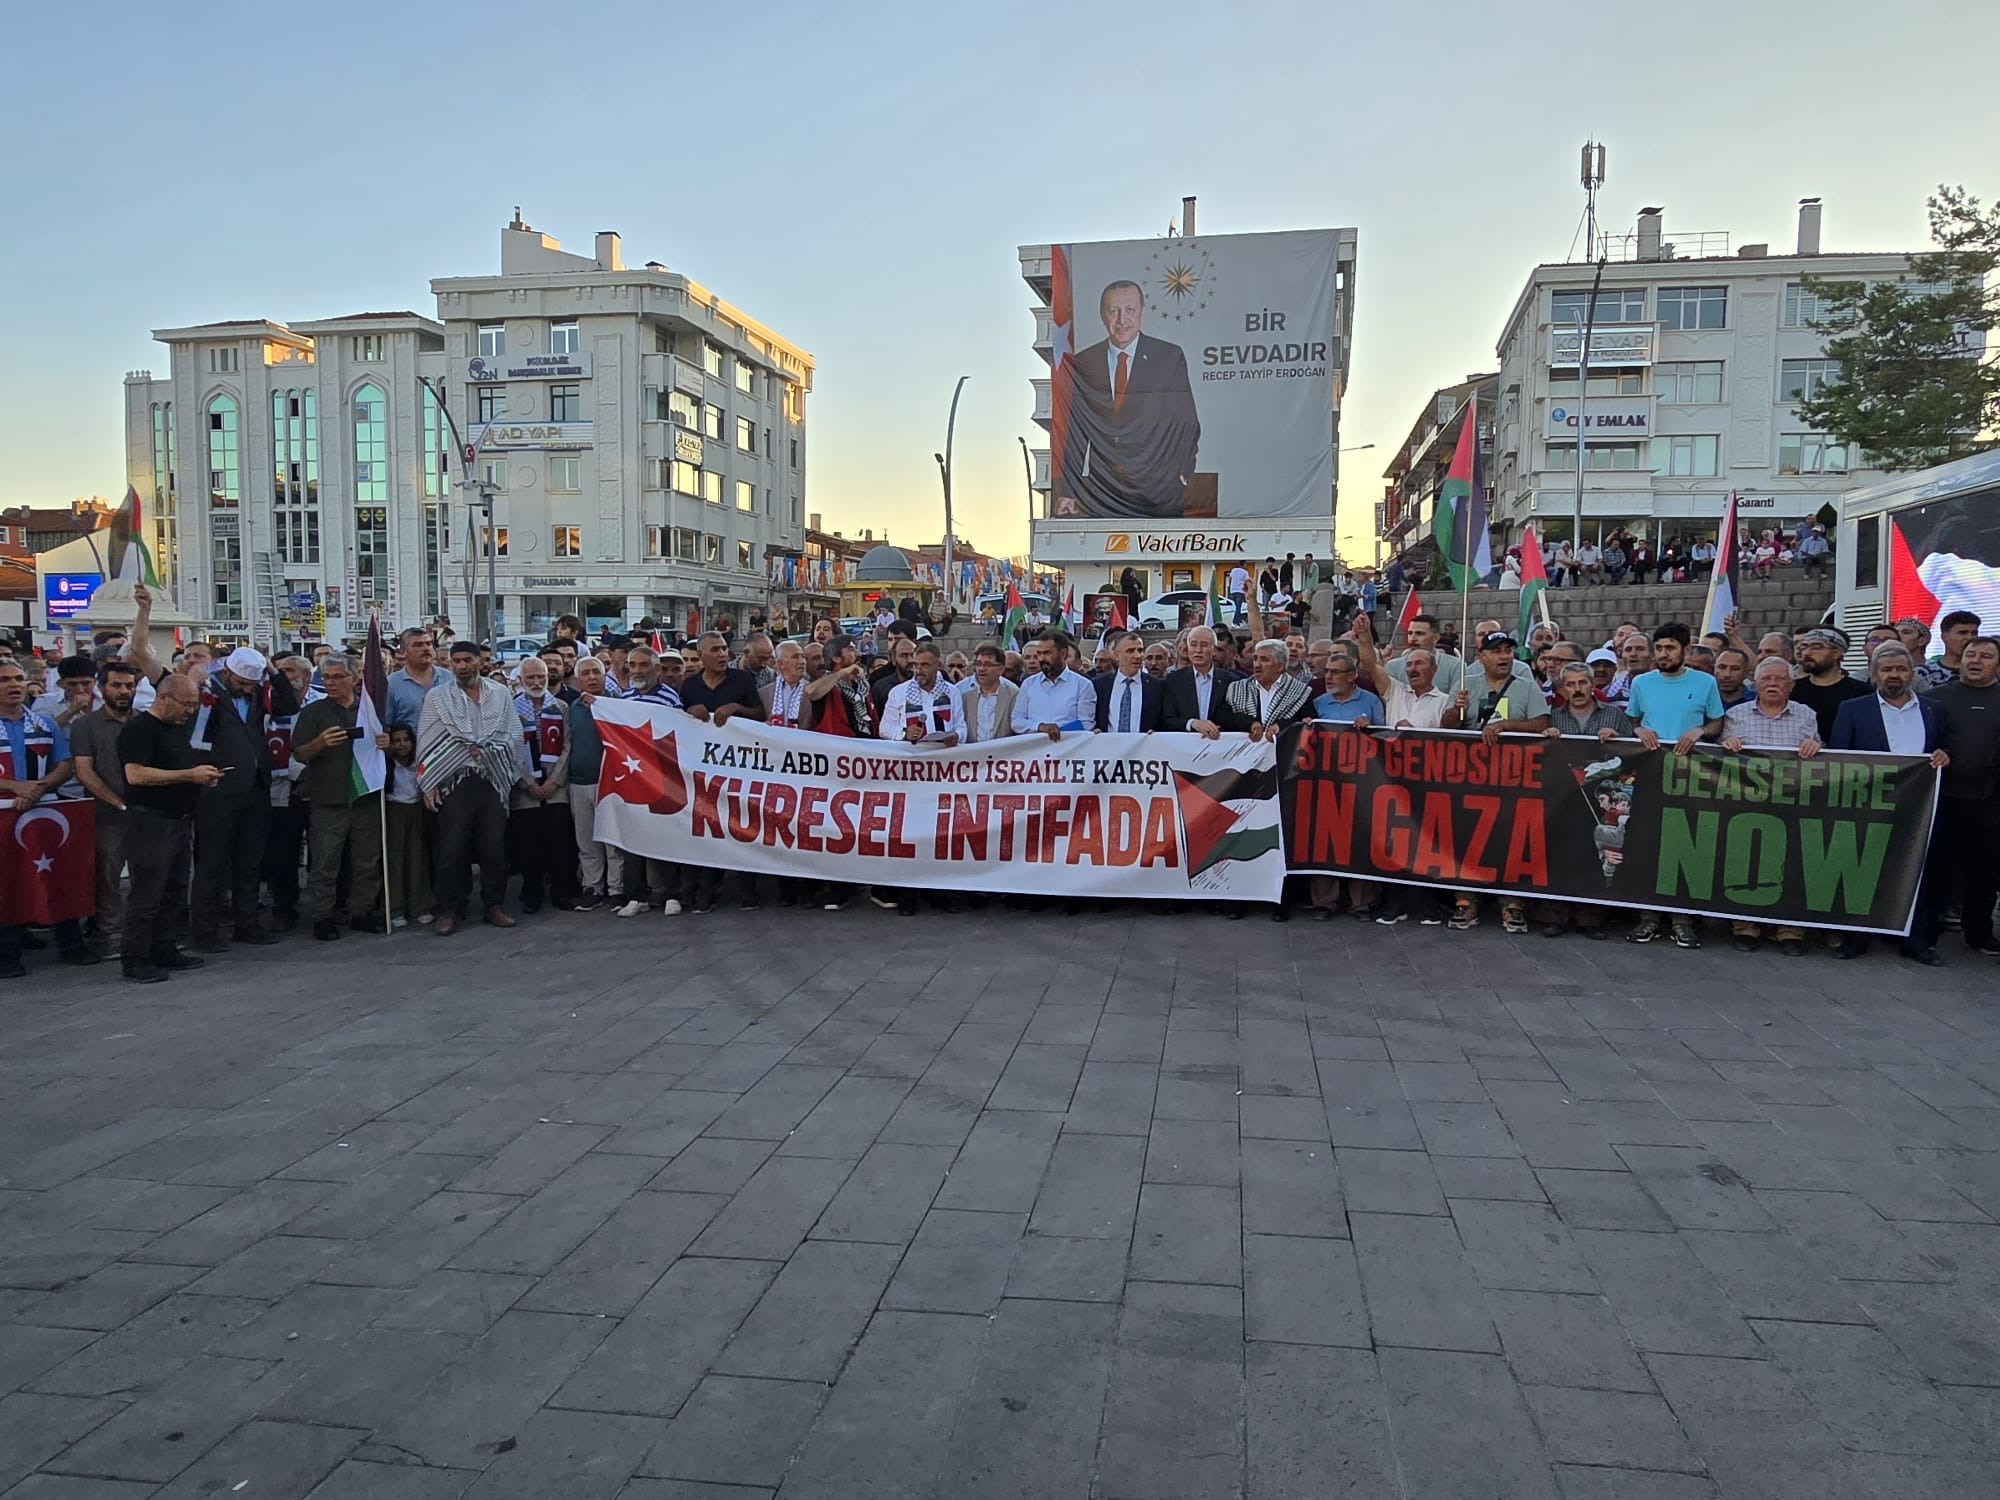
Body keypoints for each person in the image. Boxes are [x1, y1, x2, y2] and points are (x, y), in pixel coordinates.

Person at [1055, 278, 1201, 518]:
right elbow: (1075, 434)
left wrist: (1183, 473)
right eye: (1114, 311)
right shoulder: (1084, 362)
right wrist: (1068, 492)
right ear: (1103, 316)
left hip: (1159, 491)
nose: (1122, 320)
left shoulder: (1168, 357)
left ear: (1142, 311)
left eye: (1130, 310)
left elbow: (1186, 422)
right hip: (1104, 493)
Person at [187, 647, 297, 950]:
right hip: (218, 789)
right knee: (212, 864)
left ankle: (247, 924)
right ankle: (205, 930)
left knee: (249, 861)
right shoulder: (207, 694)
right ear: (228, 673)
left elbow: (288, 706)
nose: (248, 689)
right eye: (243, 684)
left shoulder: (258, 694)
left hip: (255, 787)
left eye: (252, 684)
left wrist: (272, 670)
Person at [1624, 623, 1725, 949]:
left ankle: (1682, 920)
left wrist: (1701, 731)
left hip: (1690, 777)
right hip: (1651, 775)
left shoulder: (1705, 682)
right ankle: (1648, 917)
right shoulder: (1641, 683)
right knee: (1649, 845)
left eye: (1670, 648)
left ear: (1686, 649)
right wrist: (1639, 730)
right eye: (1659, 648)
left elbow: (1717, 721)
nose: (1663, 654)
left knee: (1684, 845)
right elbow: (1632, 719)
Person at [116, 672, 220, 983]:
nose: (190, 710)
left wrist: (200, 778)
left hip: (179, 819)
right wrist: (189, 775)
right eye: (186, 704)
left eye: (194, 704)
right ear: (163, 698)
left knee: (174, 891)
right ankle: (135, 958)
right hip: (150, 821)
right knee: (147, 893)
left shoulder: (175, 729)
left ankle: (164, 947)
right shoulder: (139, 729)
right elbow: (136, 774)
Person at [0, 658, 100, 978]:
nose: (14, 685)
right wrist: (15, 786)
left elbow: (65, 765)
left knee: (58, 875)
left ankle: (70, 943)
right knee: (8, 880)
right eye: (5, 680)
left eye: (18, 679)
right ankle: (7, 951)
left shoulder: (43, 724)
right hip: (4, 812)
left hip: (44, 808)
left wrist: (37, 788)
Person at [1902, 636, 1998, 963]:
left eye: (1986, 656)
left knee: (1985, 871)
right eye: (1971, 654)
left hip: (1991, 801)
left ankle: (1979, 933)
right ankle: (1927, 935)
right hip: (1941, 797)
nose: (1976, 660)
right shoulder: (1936, 698)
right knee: (1938, 869)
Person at [417, 641, 523, 936]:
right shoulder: (437, 696)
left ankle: (494, 905)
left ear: (479, 661)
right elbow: (427, 739)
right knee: (451, 848)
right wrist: (429, 783)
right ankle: (450, 909)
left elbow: (513, 734)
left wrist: (491, 750)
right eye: (457, 661)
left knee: (494, 847)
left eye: (468, 660)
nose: (462, 666)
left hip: (492, 778)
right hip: (454, 779)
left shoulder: (500, 693)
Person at [291, 653, 389, 941]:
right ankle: (322, 916)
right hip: (329, 797)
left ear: (355, 678)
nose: (331, 683)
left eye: (337, 677)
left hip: (365, 794)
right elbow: (298, 753)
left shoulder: (369, 709)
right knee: (325, 862)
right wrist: (319, 743)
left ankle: (362, 911)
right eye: (326, 678)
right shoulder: (314, 712)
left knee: (367, 860)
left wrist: (387, 743)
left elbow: (388, 745)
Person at [66, 659, 142, 957]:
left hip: (146, 814)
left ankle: (143, 933)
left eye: (129, 686)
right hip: (107, 815)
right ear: (101, 687)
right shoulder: (86, 726)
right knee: (108, 877)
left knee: (147, 876)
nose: (123, 691)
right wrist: (119, 803)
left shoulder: (144, 722)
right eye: (116, 685)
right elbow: (84, 772)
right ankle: (109, 935)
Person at [508, 656, 575, 915]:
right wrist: (527, 783)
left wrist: (554, 781)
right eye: (531, 678)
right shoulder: (511, 708)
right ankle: (532, 894)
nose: (536, 682)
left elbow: (567, 745)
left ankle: (561, 892)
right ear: (521, 680)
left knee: (559, 843)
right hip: (525, 789)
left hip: (555, 786)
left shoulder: (560, 707)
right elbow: (509, 749)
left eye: (541, 677)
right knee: (528, 845)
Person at [382, 725, 431, 928]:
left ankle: (419, 906)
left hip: (416, 810)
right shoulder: (386, 765)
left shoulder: (419, 763)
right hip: (395, 810)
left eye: (406, 740)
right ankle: (395, 908)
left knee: (417, 858)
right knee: (395, 860)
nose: (402, 745)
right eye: (396, 741)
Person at [1789, 627, 1872, 741]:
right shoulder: (1792, 689)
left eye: (1816, 647)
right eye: (1805, 647)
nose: (1807, 653)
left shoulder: (1861, 692)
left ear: (1836, 653)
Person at [1012, 631, 1095, 740]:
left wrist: (1058, 732)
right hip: (1034, 748)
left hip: (1068, 746)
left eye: (1047, 653)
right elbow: (1016, 721)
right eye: (1039, 654)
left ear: (1063, 654)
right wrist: (1040, 727)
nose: (1041, 659)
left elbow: (1086, 723)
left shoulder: (1082, 685)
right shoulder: (1028, 684)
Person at [1162, 626, 1238, 738]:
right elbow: (1167, 720)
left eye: (1204, 645)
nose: (1198, 650)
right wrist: (1192, 723)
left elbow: (1235, 718)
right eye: (1193, 644)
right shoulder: (1174, 680)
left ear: (1214, 650)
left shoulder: (1230, 681)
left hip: (1220, 743)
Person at [1094, 631, 1164, 733]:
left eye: (1140, 650)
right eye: (1130, 651)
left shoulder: (1157, 686)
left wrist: (1157, 733)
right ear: (1117, 655)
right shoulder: (1099, 685)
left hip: (1144, 742)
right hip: (1108, 742)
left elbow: (1163, 721)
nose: (1137, 655)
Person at [959, 644, 1018, 745]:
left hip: (1005, 753)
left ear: (1001, 669)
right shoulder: (966, 698)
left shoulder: (1013, 695)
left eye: (988, 664)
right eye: (978, 664)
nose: (982, 669)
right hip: (974, 753)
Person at [385, 628, 441, 729]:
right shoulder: (391, 684)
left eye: (429, 644)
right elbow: (386, 723)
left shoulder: (450, 678)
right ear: (403, 651)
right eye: (418, 645)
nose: (426, 648)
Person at [1712, 646, 1753, 711]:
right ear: (1714, 668)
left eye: (1735, 669)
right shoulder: (1702, 697)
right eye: (1722, 667)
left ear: (1746, 672)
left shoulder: (1757, 701)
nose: (1727, 674)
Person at [1227, 562, 1249, 627]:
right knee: (1238, 607)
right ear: (1244, 564)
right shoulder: (1245, 572)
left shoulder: (1233, 570)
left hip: (1233, 591)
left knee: (1236, 607)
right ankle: (1235, 622)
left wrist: (1230, 589)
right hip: (1240, 591)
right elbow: (1246, 582)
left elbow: (1230, 579)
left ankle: (1239, 621)